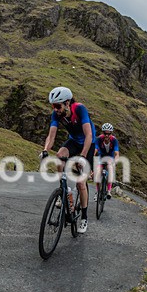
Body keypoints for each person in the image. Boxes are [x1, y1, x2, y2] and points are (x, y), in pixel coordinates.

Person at [40, 86, 96, 234]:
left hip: (88, 143)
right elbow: (51, 136)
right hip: (73, 141)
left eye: (58, 106)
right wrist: (45, 150)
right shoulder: (56, 114)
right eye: (53, 106)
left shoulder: (79, 109)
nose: (55, 109)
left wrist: (83, 156)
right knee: (59, 156)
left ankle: (84, 218)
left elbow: (89, 135)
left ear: (67, 103)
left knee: (81, 183)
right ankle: (64, 190)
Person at [94, 122, 120, 200]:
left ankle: (108, 191)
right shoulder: (99, 139)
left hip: (110, 158)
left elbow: (116, 153)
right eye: (105, 133)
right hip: (101, 157)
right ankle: (97, 192)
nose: (106, 135)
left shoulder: (114, 140)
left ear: (111, 134)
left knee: (110, 168)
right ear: (103, 133)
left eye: (109, 134)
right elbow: (95, 150)